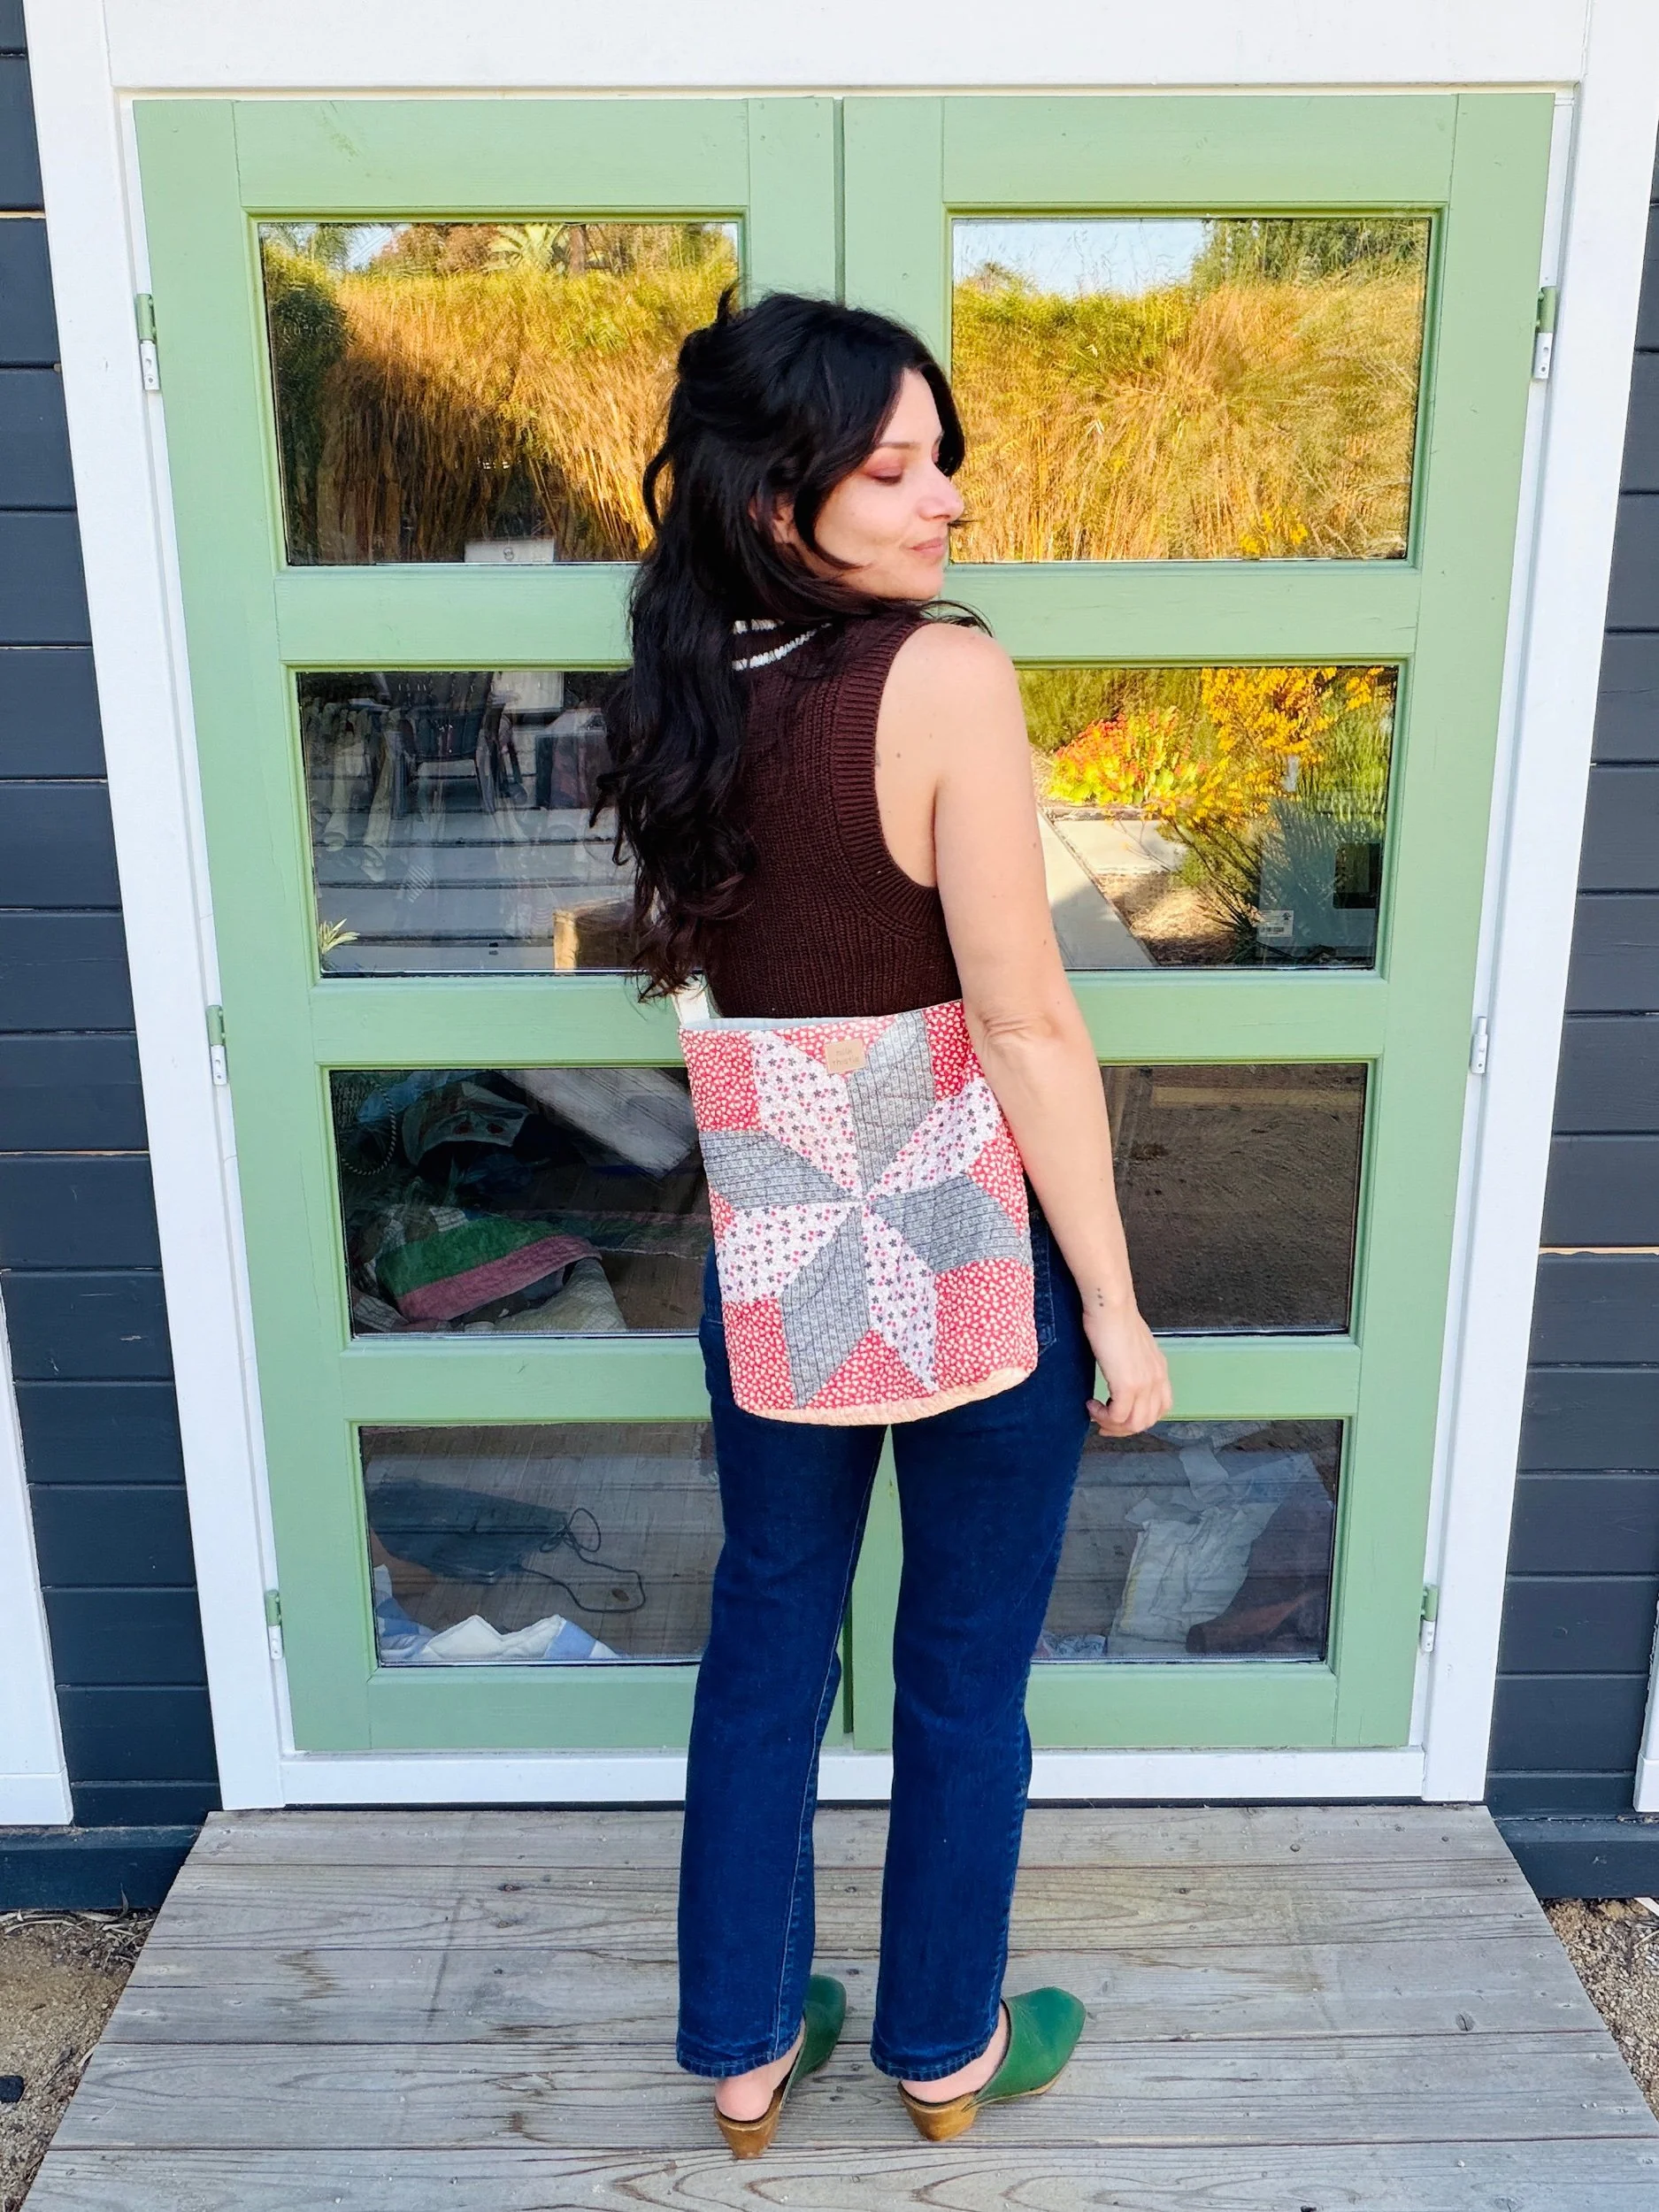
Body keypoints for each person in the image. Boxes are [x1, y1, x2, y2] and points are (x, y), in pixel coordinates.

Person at [601, 291, 1172, 2157]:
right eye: (898, 469)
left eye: (944, 464)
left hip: (777, 1240)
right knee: (961, 1662)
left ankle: (745, 2047)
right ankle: (941, 2046)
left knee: (766, 1635)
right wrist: (1114, 1301)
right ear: (784, 496)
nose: (946, 502)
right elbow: (1023, 1018)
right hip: (962, 1235)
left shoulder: (684, 678)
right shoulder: (939, 674)